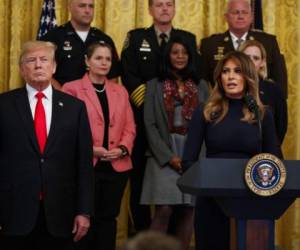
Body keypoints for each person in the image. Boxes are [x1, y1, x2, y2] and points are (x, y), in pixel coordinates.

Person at [0, 41, 94, 250]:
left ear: (54, 67)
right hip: (13, 212)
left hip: (62, 213)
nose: (38, 65)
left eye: (44, 60)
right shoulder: (4, 105)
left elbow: (84, 164)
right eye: (31, 61)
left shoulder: (75, 108)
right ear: (21, 69)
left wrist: (84, 211)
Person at [182, 51, 281, 250]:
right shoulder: (206, 111)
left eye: (237, 71)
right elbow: (188, 161)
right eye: (226, 71)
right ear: (219, 77)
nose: (231, 76)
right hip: (212, 198)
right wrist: (205, 184)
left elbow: (275, 161)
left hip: (250, 199)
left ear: (248, 76)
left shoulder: (262, 114)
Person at [121, 0, 201, 233]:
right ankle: (142, 236)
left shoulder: (186, 38)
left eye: (169, 4)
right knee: (140, 182)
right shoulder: (136, 38)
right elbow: (128, 74)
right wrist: (153, 106)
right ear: (150, 9)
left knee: (181, 194)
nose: (164, 8)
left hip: (181, 126)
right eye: (159, 4)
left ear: (175, 8)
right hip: (144, 123)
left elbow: (195, 74)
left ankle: (174, 238)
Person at [62, 42, 136, 250]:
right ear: (87, 61)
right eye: (98, 58)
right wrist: (89, 149)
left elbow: (130, 126)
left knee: (108, 219)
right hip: (86, 165)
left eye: (108, 59)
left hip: (116, 167)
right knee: (84, 219)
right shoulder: (72, 88)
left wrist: (122, 148)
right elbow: (66, 130)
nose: (104, 63)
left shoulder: (120, 91)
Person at [140, 37, 209, 250]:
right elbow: (149, 124)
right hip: (163, 153)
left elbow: (209, 121)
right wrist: (169, 157)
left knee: (189, 210)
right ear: (167, 56)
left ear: (190, 56)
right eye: (175, 52)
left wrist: (193, 157)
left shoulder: (202, 85)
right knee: (164, 210)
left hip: (194, 152)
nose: (180, 57)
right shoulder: (153, 85)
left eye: (184, 53)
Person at [199, 0, 288, 98]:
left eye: (245, 12)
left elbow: (280, 81)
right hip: (223, 105)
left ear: (251, 17)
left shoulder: (268, 42)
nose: (240, 16)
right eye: (235, 12)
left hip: (260, 104)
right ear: (226, 17)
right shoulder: (210, 44)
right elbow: (203, 84)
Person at [41, 0, 120, 88]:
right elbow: (43, 72)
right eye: (82, 6)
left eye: (91, 6)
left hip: (97, 99)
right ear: (70, 8)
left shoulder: (104, 39)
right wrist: (62, 95)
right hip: (62, 98)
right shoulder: (53, 37)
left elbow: (113, 77)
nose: (87, 10)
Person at [239, 40, 287, 147]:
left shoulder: (274, 90)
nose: (251, 61)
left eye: (256, 58)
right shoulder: (230, 87)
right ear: (239, 60)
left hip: (264, 155)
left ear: (262, 63)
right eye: (247, 57)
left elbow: (280, 128)